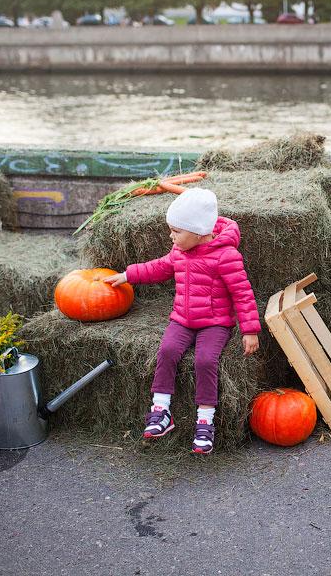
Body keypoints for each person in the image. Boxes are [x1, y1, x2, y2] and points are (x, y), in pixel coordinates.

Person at [103, 188, 260, 454]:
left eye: (176, 231)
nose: (171, 236)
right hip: (182, 319)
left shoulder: (226, 256)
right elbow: (158, 267)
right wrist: (128, 275)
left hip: (215, 322)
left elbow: (242, 293)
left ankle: (205, 421)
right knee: (166, 351)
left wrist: (250, 330)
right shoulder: (179, 252)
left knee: (205, 360)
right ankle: (161, 410)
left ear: (198, 232)